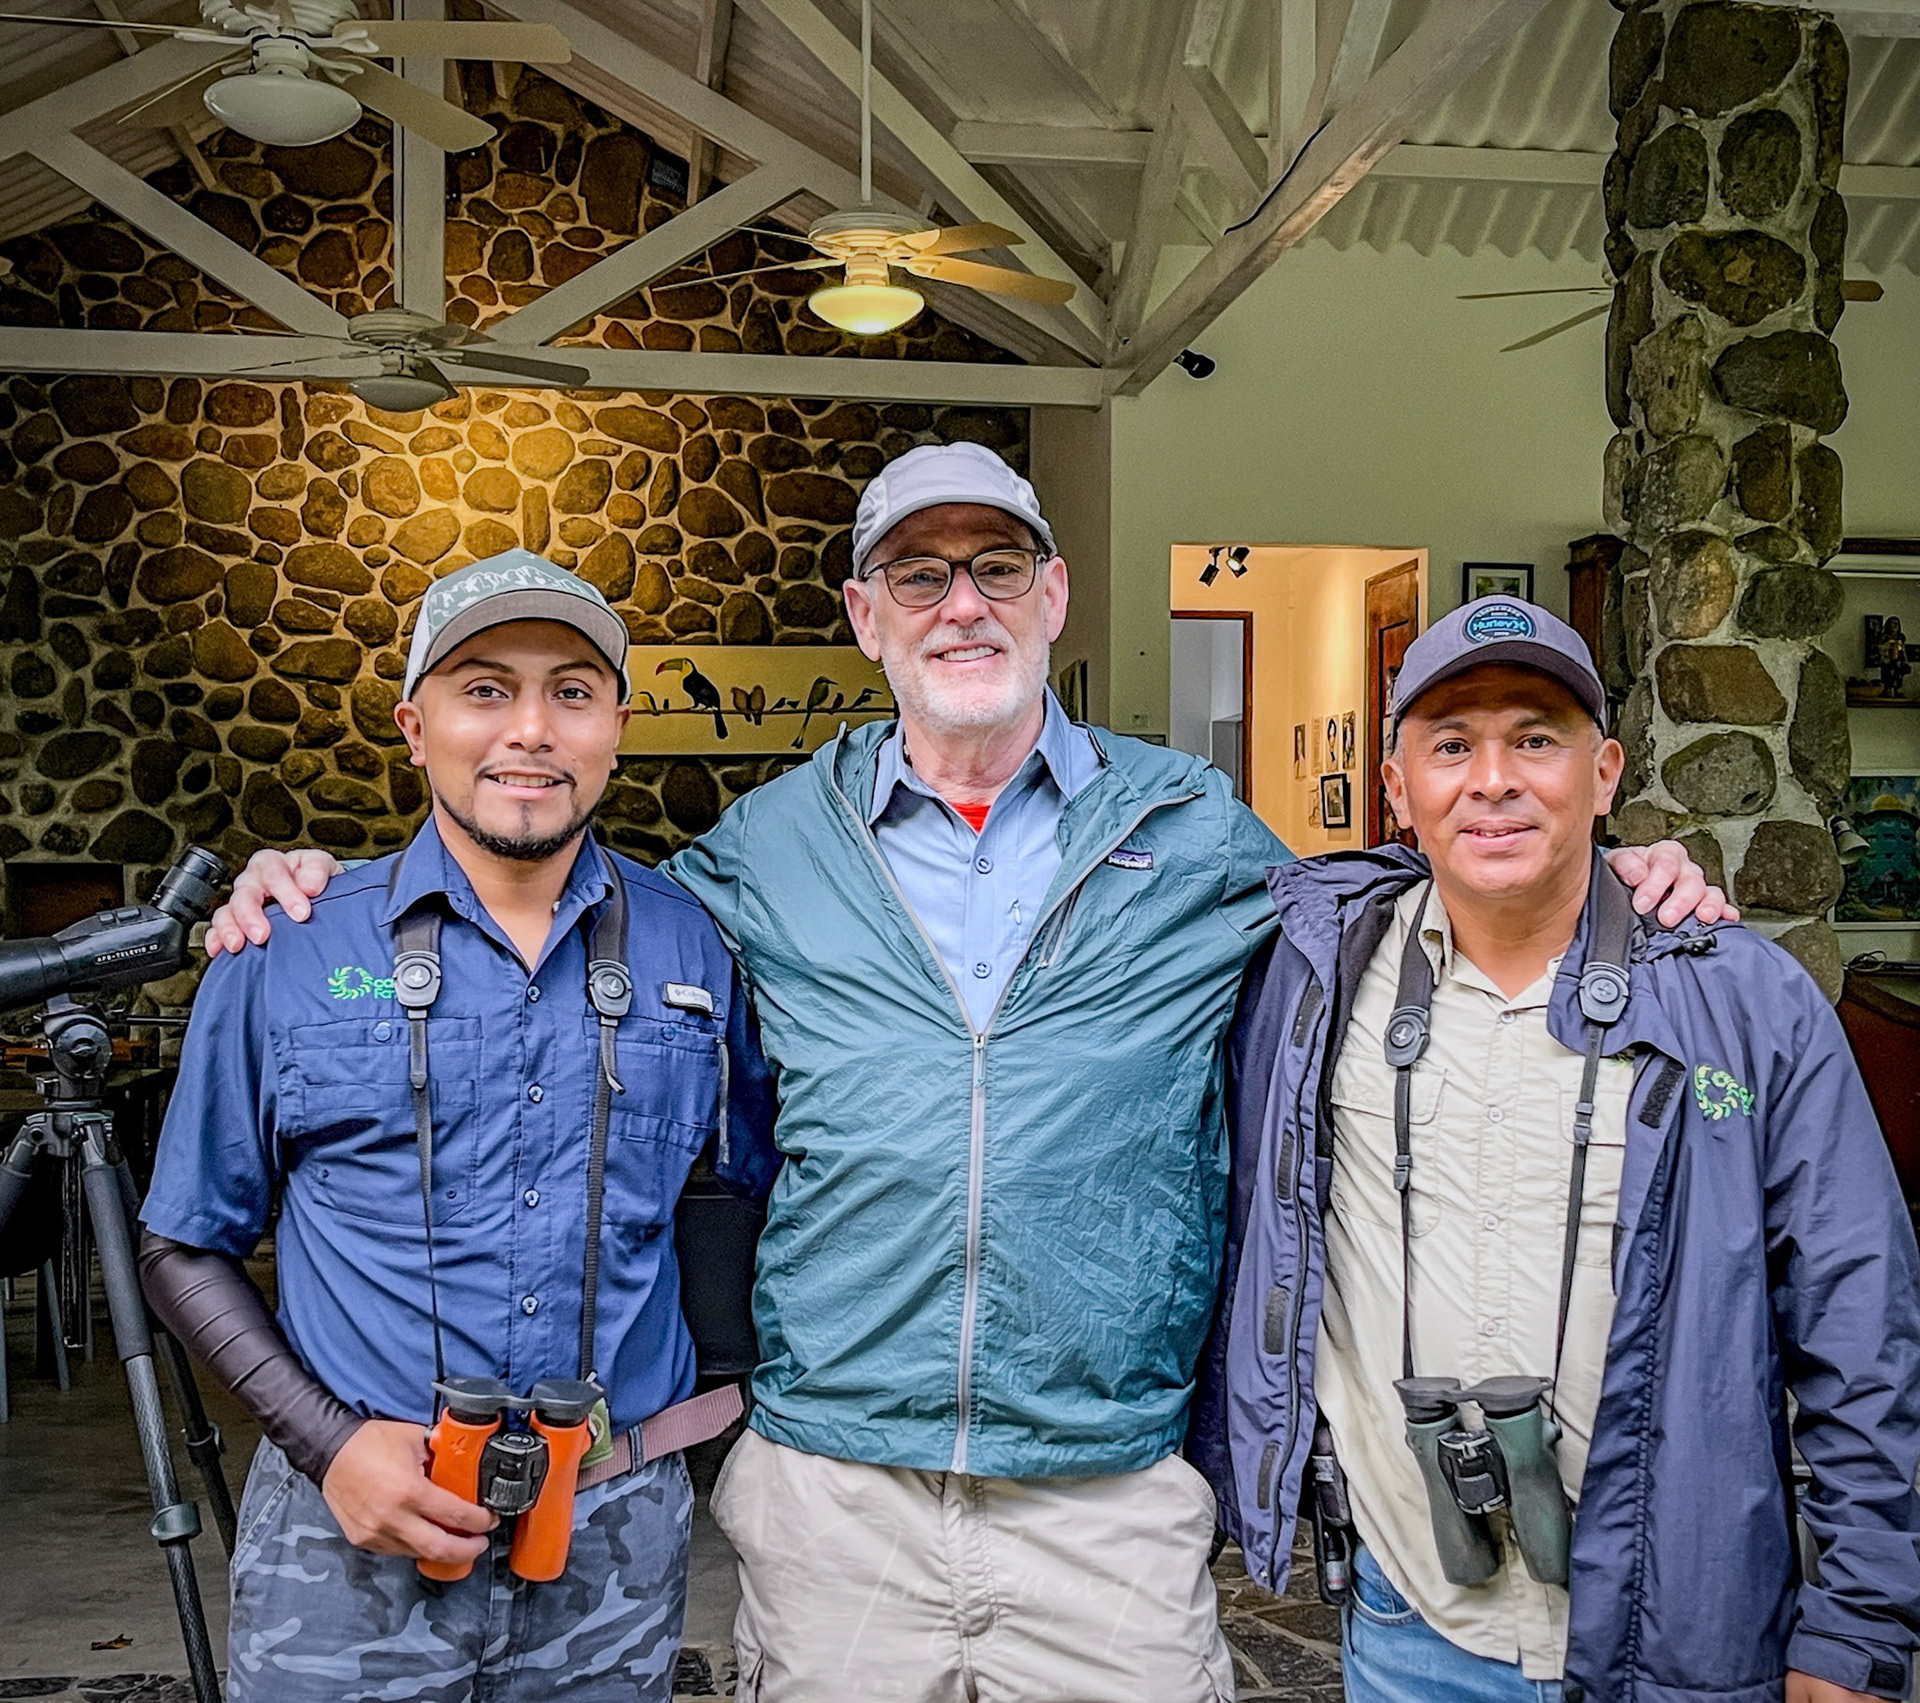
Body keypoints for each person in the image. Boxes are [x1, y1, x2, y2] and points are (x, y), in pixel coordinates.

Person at [206, 446, 1728, 1702]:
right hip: (834, 1497)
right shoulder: (752, 859)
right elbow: (533, 890)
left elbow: (1411, 907)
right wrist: (306, 885)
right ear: (866, 614)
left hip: (1105, 1497)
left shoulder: (1197, 832)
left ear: (1054, 594)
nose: (963, 605)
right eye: (921, 575)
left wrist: (1614, 867)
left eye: (998, 567)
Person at [1192, 597, 1920, 1703]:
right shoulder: (1305, 977)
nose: (1493, 779)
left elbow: (1860, 1317)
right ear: (1399, 788)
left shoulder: (1743, 1000)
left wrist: (1858, 1623)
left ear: (1606, 770)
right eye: (1450, 744)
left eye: (1536, 736)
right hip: (1411, 1624)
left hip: (1685, 1633)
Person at [138, 552, 776, 1702]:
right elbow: (184, 1241)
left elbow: (737, 1196)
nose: (530, 728)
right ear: (414, 723)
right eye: (485, 687)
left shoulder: (702, 948)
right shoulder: (290, 944)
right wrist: (331, 1446)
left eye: (572, 691)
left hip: (613, 1537)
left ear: (617, 727)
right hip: (349, 1539)